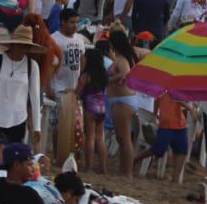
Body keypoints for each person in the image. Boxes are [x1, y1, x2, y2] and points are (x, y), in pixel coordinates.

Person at [0, 26, 42, 146]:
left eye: (26, 46)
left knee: (13, 160)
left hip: (18, 119)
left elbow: (35, 98)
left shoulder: (32, 66)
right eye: (20, 45)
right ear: (13, 44)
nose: (23, 49)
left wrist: (37, 127)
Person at [107, 30, 145, 176]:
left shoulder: (123, 59)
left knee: (125, 139)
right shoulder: (125, 56)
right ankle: (124, 170)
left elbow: (125, 73)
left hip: (123, 101)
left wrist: (109, 80)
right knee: (121, 138)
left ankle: (127, 172)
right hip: (122, 100)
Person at [134, 93, 190, 179]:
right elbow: (175, 99)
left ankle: (175, 179)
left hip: (178, 123)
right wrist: (155, 114)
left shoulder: (176, 88)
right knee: (157, 149)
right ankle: (134, 160)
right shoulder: (165, 88)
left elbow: (158, 100)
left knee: (182, 151)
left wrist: (155, 114)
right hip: (167, 123)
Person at [77, 48, 109, 174]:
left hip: (90, 106)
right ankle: (103, 168)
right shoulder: (103, 74)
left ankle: (89, 167)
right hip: (101, 107)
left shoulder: (86, 75)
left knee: (89, 137)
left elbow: (77, 92)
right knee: (100, 138)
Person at [49, 9, 85, 97]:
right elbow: (48, 66)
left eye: (77, 22)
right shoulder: (54, 40)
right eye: (72, 22)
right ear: (63, 22)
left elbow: (82, 60)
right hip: (59, 89)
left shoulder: (80, 38)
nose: (75, 26)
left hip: (74, 89)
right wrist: (50, 90)